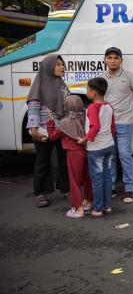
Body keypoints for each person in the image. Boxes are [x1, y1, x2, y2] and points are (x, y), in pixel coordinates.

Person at [102, 47, 133, 203]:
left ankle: (130, 189)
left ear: (121, 60)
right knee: (110, 156)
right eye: (110, 58)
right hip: (107, 124)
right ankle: (111, 187)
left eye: (116, 58)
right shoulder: (101, 78)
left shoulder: (130, 77)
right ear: (105, 60)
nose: (113, 60)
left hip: (124, 123)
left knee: (125, 155)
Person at [26, 54, 71, 207]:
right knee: (43, 161)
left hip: (60, 130)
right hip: (43, 131)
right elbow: (33, 109)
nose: (62, 67)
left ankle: (66, 189)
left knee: (64, 160)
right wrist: (34, 131)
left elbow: (68, 104)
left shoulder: (61, 84)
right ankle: (40, 193)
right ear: (48, 67)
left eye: (62, 64)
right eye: (57, 64)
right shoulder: (39, 85)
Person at [46, 95, 93, 218]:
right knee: (87, 178)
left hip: (73, 153)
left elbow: (53, 136)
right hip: (87, 150)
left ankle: (78, 208)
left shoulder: (65, 122)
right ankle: (88, 201)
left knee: (74, 181)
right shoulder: (85, 117)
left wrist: (50, 121)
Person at [79, 77, 116, 218]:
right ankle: (107, 206)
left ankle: (98, 209)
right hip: (109, 145)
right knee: (107, 176)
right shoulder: (109, 106)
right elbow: (113, 127)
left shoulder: (92, 107)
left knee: (97, 179)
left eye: (88, 89)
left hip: (96, 148)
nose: (87, 92)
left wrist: (85, 139)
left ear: (93, 93)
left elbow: (95, 126)